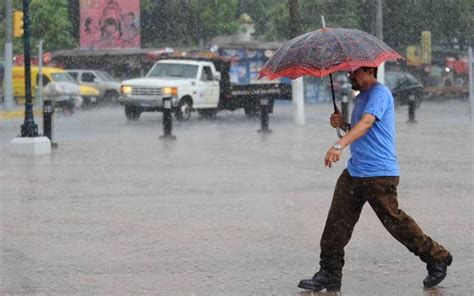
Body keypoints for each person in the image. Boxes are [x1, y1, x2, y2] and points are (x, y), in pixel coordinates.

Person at [298, 67, 452, 292]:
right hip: (355, 172)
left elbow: (368, 123)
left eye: (355, 72)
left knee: (395, 223)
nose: (350, 76)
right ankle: (329, 273)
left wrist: (339, 144)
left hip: (379, 174)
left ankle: (437, 256)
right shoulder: (361, 97)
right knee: (336, 224)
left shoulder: (380, 93)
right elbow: (361, 130)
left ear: (369, 70)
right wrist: (342, 123)